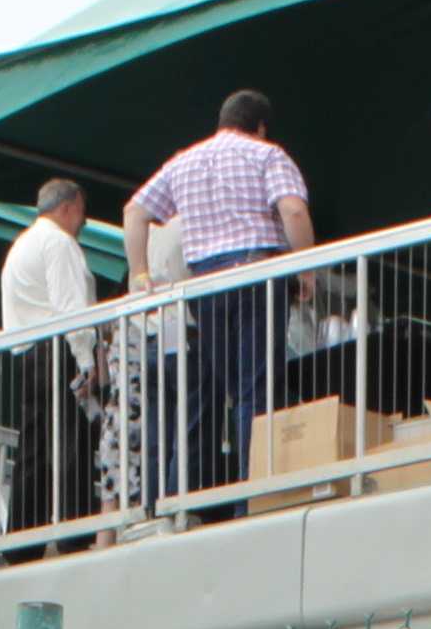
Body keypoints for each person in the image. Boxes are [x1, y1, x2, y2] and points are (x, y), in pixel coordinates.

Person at [121, 89, 312, 498]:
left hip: (205, 285)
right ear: (260, 126)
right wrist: (305, 267)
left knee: (230, 390)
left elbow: (134, 212)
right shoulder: (267, 155)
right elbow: (293, 211)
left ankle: (232, 492)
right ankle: (255, 493)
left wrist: (140, 274)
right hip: (257, 274)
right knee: (256, 390)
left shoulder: (183, 161)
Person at [1, 181, 101, 540]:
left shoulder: (21, 244)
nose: (84, 220)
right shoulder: (59, 243)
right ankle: (76, 532)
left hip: (27, 353)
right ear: (69, 207)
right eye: (82, 210)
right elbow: (70, 306)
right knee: (71, 442)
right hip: (58, 349)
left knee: (34, 447)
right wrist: (86, 361)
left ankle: (21, 539)